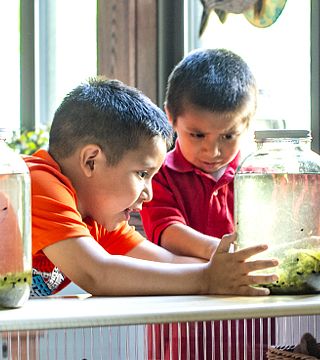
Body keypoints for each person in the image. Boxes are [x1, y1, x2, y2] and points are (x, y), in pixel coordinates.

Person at [24, 77, 277, 299]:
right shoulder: (36, 183)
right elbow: (97, 274)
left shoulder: (97, 216)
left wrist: (229, 264)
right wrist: (207, 279)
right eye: (142, 174)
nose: (149, 193)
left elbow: (169, 262)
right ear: (91, 160)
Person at [140, 48, 274, 359]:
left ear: (249, 123)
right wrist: (220, 251)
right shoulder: (158, 174)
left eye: (228, 136)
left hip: (248, 322)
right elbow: (167, 230)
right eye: (197, 134)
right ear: (170, 117)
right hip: (182, 323)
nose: (212, 150)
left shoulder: (258, 175)